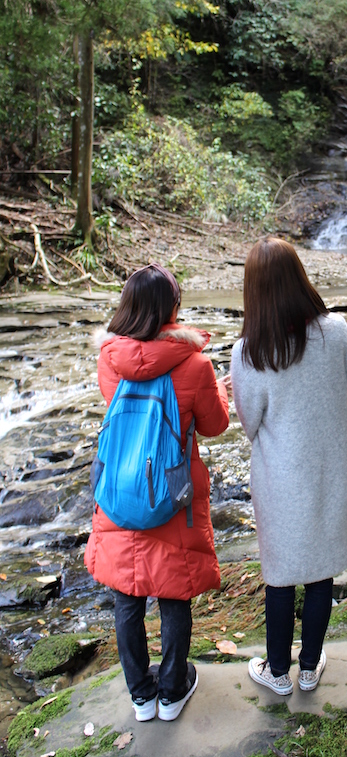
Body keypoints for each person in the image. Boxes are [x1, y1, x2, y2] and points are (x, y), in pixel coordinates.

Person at [84, 264, 230, 721]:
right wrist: (219, 393)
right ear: (172, 308)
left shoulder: (110, 359)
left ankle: (140, 696)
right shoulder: (195, 362)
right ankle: (172, 690)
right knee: (172, 592)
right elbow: (214, 425)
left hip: (121, 485)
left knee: (126, 595)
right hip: (170, 489)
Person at [230, 237, 347, 694]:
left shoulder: (248, 351)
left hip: (278, 477)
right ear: (299, 277)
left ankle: (277, 673)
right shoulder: (337, 333)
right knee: (321, 571)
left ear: (255, 291)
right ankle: (309, 668)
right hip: (328, 468)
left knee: (280, 577)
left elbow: (249, 424)